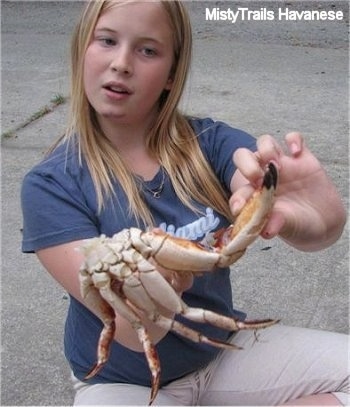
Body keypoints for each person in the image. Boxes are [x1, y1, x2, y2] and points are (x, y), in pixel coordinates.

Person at [21, 0, 348, 405]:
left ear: (171, 75)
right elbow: (131, 332)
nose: (122, 63)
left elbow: (264, 192)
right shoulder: (51, 186)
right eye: (107, 40)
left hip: (222, 351)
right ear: (80, 51)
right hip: (126, 380)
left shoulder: (208, 143)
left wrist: (310, 215)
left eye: (148, 50)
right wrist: (156, 280)